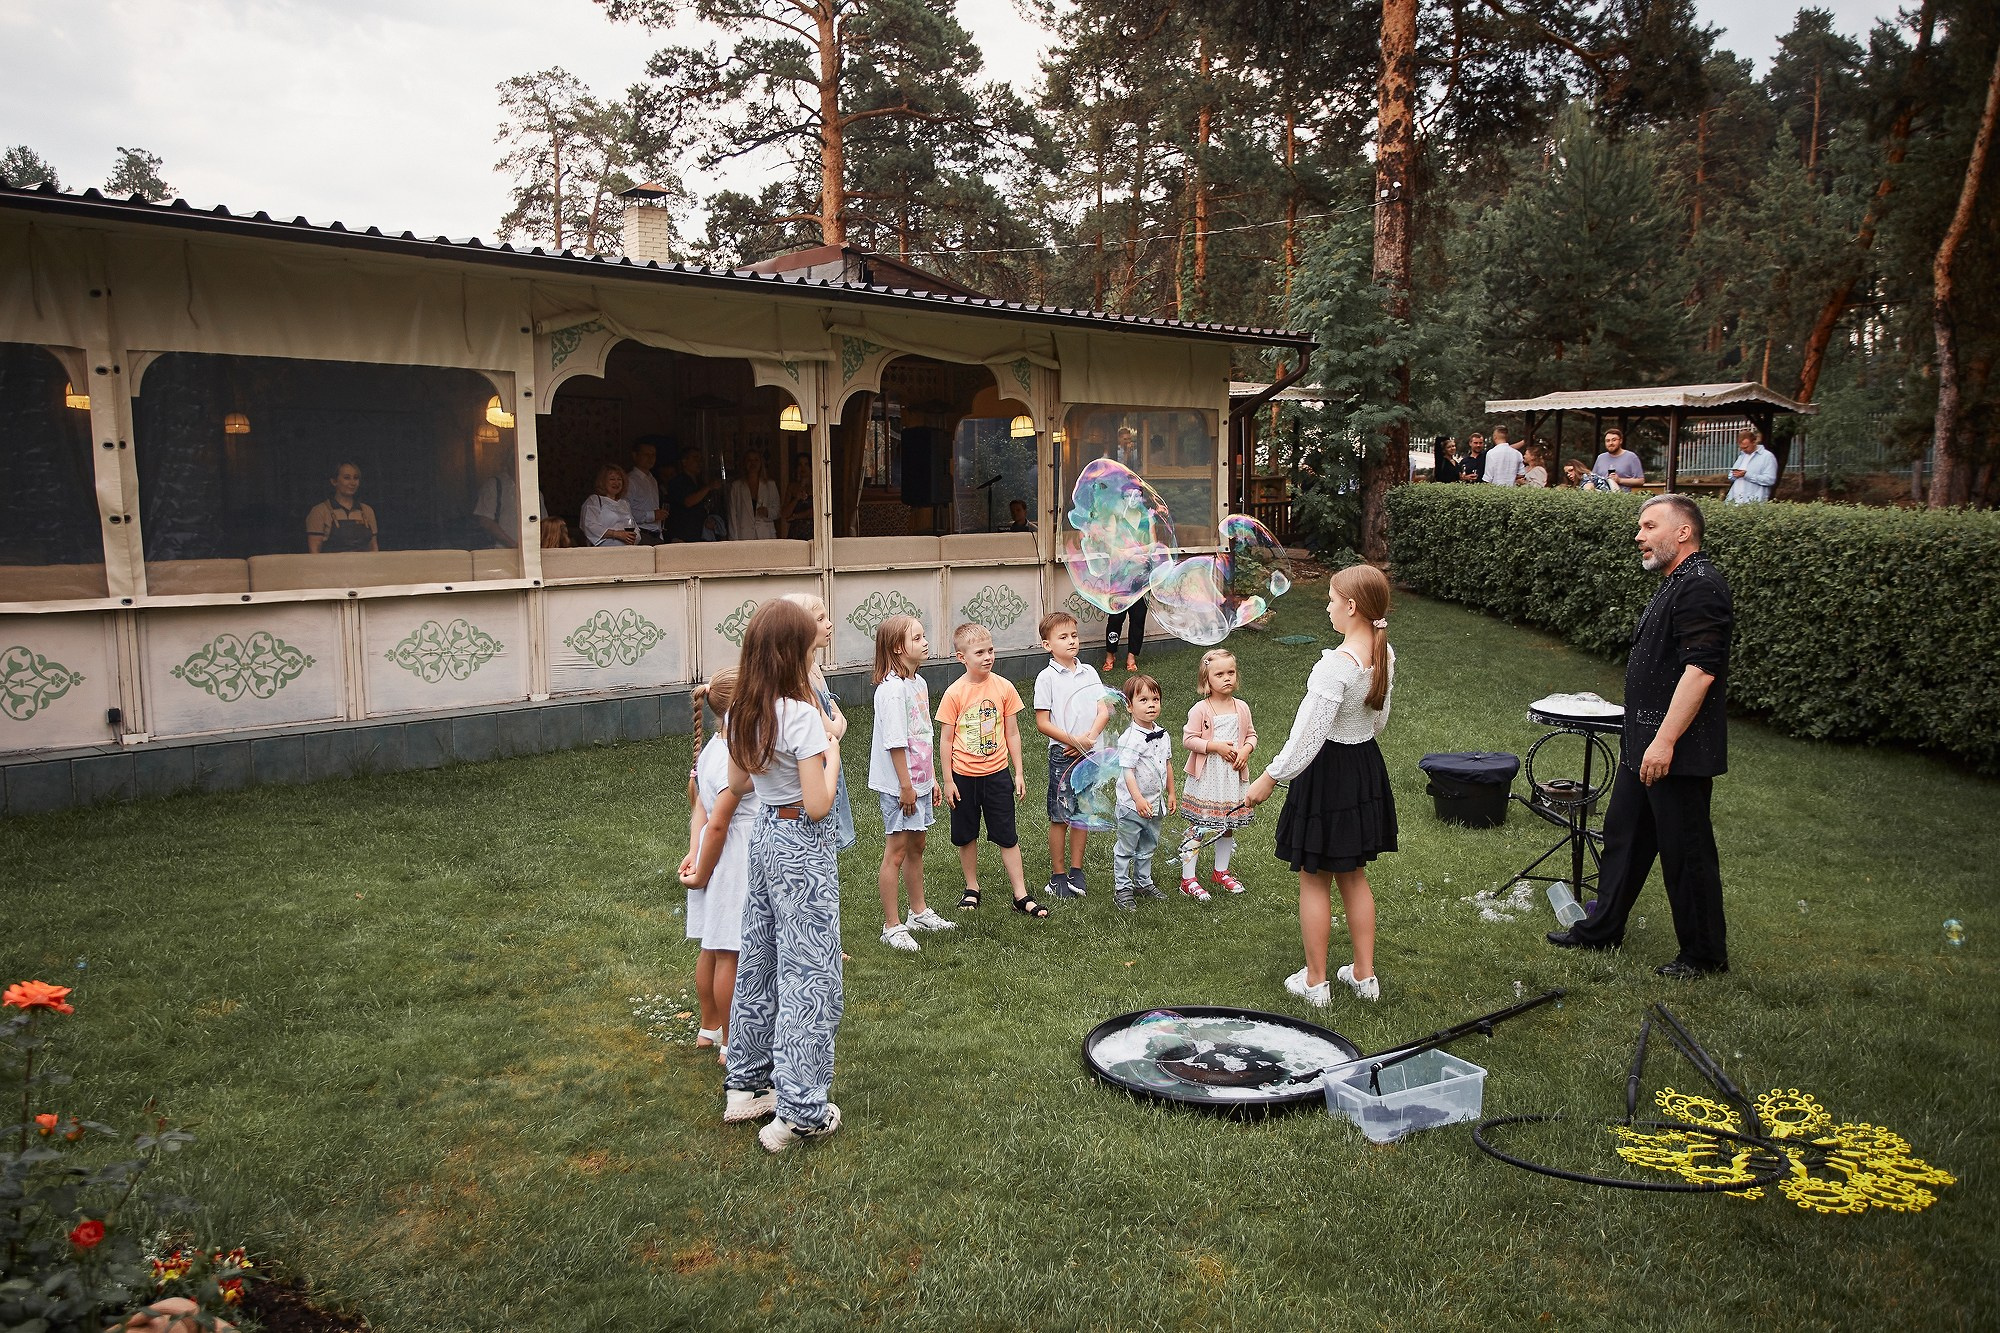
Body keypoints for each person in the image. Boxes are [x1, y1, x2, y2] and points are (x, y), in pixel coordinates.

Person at [1547, 494, 1734, 979]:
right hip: (1641, 743)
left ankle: (1703, 955)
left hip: (1675, 750)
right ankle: (1601, 928)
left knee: (1686, 850)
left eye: (1650, 525)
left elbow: (1700, 671)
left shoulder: (1701, 585)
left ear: (1683, 533)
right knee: (1624, 838)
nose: (1639, 535)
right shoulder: (1676, 583)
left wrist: (1666, 741)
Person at [719, 599, 845, 1152]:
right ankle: (800, 1111)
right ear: (794, 652)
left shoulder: (742, 711)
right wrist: (833, 750)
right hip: (801, 843)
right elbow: (818, 804)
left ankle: (747, 1086)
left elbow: (741, 784)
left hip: (766, 838)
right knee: (811, 974)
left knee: (762, 959)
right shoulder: (800, 715)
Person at [1245, 565, 1398, 1005]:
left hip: (1326, 771)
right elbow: (1379, 720)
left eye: (1331, 600)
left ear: (1351, 607)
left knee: (1315, 877)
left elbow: (1307, 736)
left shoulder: (1334, 667)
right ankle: (1364, 976)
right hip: (1363, 765)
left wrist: (1270, 777)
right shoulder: (1385, 655)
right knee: (1353, 874)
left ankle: (1315, 982)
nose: (1328, 608)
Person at [937, 622, 1046, 917]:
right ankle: (972, 888)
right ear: (962, 657)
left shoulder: (1004, 687)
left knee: (1007, 835)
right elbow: (946, 740)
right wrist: (948, 780)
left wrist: (1019, 772)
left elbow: (1012, 733)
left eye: (991, 650)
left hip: (997, 775)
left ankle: (1020, 894)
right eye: (980, 652)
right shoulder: (954, 693)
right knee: (966, 834)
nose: (987, 657)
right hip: (963, 777)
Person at [869, 614, 956, 953]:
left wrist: (930, 779)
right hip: (899, 787)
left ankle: (918, 911)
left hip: (918, 783)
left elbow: (922, 735)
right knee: (896, 852)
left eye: (923, 636)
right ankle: (891, 926)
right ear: (897, 648)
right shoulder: (891, 691)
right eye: (917, 638)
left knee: (917, 846)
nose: (925, 642)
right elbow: (895, 742)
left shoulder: (918, 684)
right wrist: (906, 786)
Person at [679, 667, 753, 1065]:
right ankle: (731, 1039)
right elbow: (721, 821)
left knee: (711, 945)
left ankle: (708, 1025)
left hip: (710, 853)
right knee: (731, 953)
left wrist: (694, 852)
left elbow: (700, 813)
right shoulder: (735, 755)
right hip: (732, 859)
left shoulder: (710, 746)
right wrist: (704, 870)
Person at [1034, 610, 1112, 902]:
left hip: (1089, 755)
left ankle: (1076, 870)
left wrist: (1088, 740)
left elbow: (1103, 709)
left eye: (1074, 636)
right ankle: (1057, 876)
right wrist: (1074, 741)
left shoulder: (1089, 672)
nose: (1071, 641)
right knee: (1061, 817)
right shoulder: (1047, 678)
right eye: (1063, 637)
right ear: (1047, 645)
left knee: (1083, 814)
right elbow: (1043, 722)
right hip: (1063, 756)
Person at [1179, 648, 1258, 900]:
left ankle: (1220, 871)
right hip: (1207, 777)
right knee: (1199, 825)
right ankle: (1187, 878)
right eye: (1220, 674)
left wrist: (1246, 750)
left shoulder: (1242, 707)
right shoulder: (1201, 710)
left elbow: (1251, 735)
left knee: (1227, 825)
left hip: (1232, 777)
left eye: (1231, 672)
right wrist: (1215, 747)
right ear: (1206, 680)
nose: (1227, 678)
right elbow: (1189, 740)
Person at [781, 593, 856, 855]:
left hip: (825, 764)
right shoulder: (798, 676)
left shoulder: (813, 667)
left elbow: (838, 720)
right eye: (820, 619)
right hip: (814, 770)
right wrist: (836, 725)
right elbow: (834, 728)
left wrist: (836, 724)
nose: (830, 624)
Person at [1113, 674, 1174, 912]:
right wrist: (1137, 799)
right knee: (1126, 848)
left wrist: (1171, 793)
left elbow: (1167, 764)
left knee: (1148, 845)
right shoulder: (1129, 738)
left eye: (1155, 699)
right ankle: (1122, 888)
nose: (1151, 704)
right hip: (1132, 806)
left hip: (1155, 804)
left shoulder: (1163, 734)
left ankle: (1143, 882)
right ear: (1129, 706)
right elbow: (1128, 772)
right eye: (1143, 699)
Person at [305, 462, 378, 554]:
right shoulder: (320, 511)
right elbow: (314, 552)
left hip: (363, 567)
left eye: (356, 478)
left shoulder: (367, 511)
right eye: (347, 478)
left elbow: (374, 548)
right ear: (334, 481)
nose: (352, 483)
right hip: (332, 567)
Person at [665, 446, 721, 543]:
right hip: (682, 535)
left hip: (699, 534)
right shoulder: (677, 482)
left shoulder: (700, 483)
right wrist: (708, 487)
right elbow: (688, 502)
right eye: (695, 458)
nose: (699, 462)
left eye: (700, 459)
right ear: (684, 461)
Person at [729, 448, 781, 541]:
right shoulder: (736, 486)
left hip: (766, 534)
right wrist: (734, 541)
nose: (753, 463)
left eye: (756, 460)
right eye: (749, 460)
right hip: (744, 535)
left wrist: (767, 512)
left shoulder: (770, 485)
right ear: (745, 463)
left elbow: (777, 511)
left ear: (761, 463)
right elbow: (733, 515)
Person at [581, 464, 639, 546]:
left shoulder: (624, 503)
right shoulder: (594, 500)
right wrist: (617, 534)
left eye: (619, 479)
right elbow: (590, 526)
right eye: (612, 479)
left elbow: (634, 526)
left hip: (626, 550)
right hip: (605, 551)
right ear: (603, 482)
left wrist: (632, 537)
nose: (616, 482)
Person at [626, 439, 668, 544]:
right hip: (641, 534)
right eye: (646, 454)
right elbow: (625, 512)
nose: (651, 458)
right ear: (635, 455)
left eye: (653, 454)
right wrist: (652, 515)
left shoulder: (652, 479)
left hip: (657, 535)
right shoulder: (630, 480)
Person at [1727, 429, 1779, 504]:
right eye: (1741, 447)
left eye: (1746, 447)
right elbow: (1730, 476)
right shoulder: (1742, 456)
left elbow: (1770, 480)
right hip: (1735, 501)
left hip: (1753, 503)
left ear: (1754, 442)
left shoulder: (1767, 457)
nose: (1743, 450)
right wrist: (1735, 474)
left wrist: (1746, 475)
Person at [1103, 593, 1148, 674]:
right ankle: (1110, 654)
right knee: (1115, 619)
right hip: (1120, 586)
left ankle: (1131, 656)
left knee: (1138, 619)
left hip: (1140, 585)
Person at [781, 455, 814, 540]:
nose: (803, 468)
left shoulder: (816, 486)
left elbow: (814, 512)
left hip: (812, 532)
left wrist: (795, 516)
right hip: (795, 533)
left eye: (806, 464)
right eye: (800, 464)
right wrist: (796, 499)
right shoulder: (792, 487)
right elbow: (785, 514)